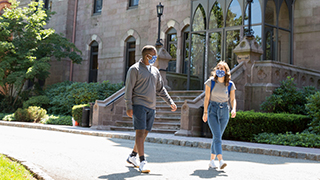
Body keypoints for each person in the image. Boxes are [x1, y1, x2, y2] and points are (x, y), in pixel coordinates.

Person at [124, 45, 177, 173]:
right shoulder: (134, 69)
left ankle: (132, 156)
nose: (155, 57)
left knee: (145, 133)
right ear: (146, 56)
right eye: (153, 55)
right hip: (139, 105)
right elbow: (128, 89)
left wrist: (170, 101)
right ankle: (142, 161)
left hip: (151, 106)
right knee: (140, 133)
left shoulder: (155, 71)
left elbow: (160, 89)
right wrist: (128, 106)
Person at [202, 61, 237, 170]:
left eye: (222, 68)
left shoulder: (230, 84)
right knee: (217, 136)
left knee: (217, 137)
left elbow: (232, 99)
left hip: (225, 111)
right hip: (212, 110)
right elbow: (206, 98)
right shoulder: (210, 82)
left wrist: (234, 109)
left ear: (226, 71)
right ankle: (221, 160)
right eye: (218, 68)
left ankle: (212, 161)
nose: (220, 70)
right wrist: (205, 112)